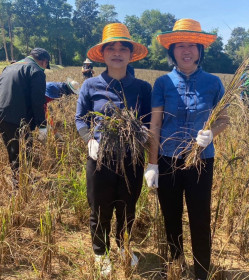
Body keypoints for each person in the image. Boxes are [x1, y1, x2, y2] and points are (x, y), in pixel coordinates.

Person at [144, 19, 229, 280]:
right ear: (172, 52)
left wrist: (210, 135)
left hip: (202, 160)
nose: (186, 50)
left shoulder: (214, 83)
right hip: (169, 159)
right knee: (171, 214)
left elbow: (224, 119)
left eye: (192, 45)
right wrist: (153, 163)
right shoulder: (162, 83)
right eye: (180, 45)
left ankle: (201, 270)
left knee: (200, 215)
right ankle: (176, 263)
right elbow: (155, 124)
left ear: (200, 50)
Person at [75, 23, 151, 277]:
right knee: (100, 207)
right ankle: (100, 252)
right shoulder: (91, 85)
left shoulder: (142, 88)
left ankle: (123, 247)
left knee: (127, 207)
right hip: (100, 158)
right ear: (103, 54)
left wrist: (143, 132)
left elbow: (151, 120)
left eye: (123, 49)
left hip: (132, 157)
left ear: (131, 55)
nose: (117, 53)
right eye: (111, 48)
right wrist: (89, 140)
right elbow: (80, 119)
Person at [0, 48, 51, 187]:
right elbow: (37, 102)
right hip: (13, 115)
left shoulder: (11, 67)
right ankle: (21, 183)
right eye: (46, 65)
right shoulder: (37, 71)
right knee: (23, 148)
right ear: (44, 61)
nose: (45, 68)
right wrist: (43, 126)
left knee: (13, 145)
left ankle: (20, 178)